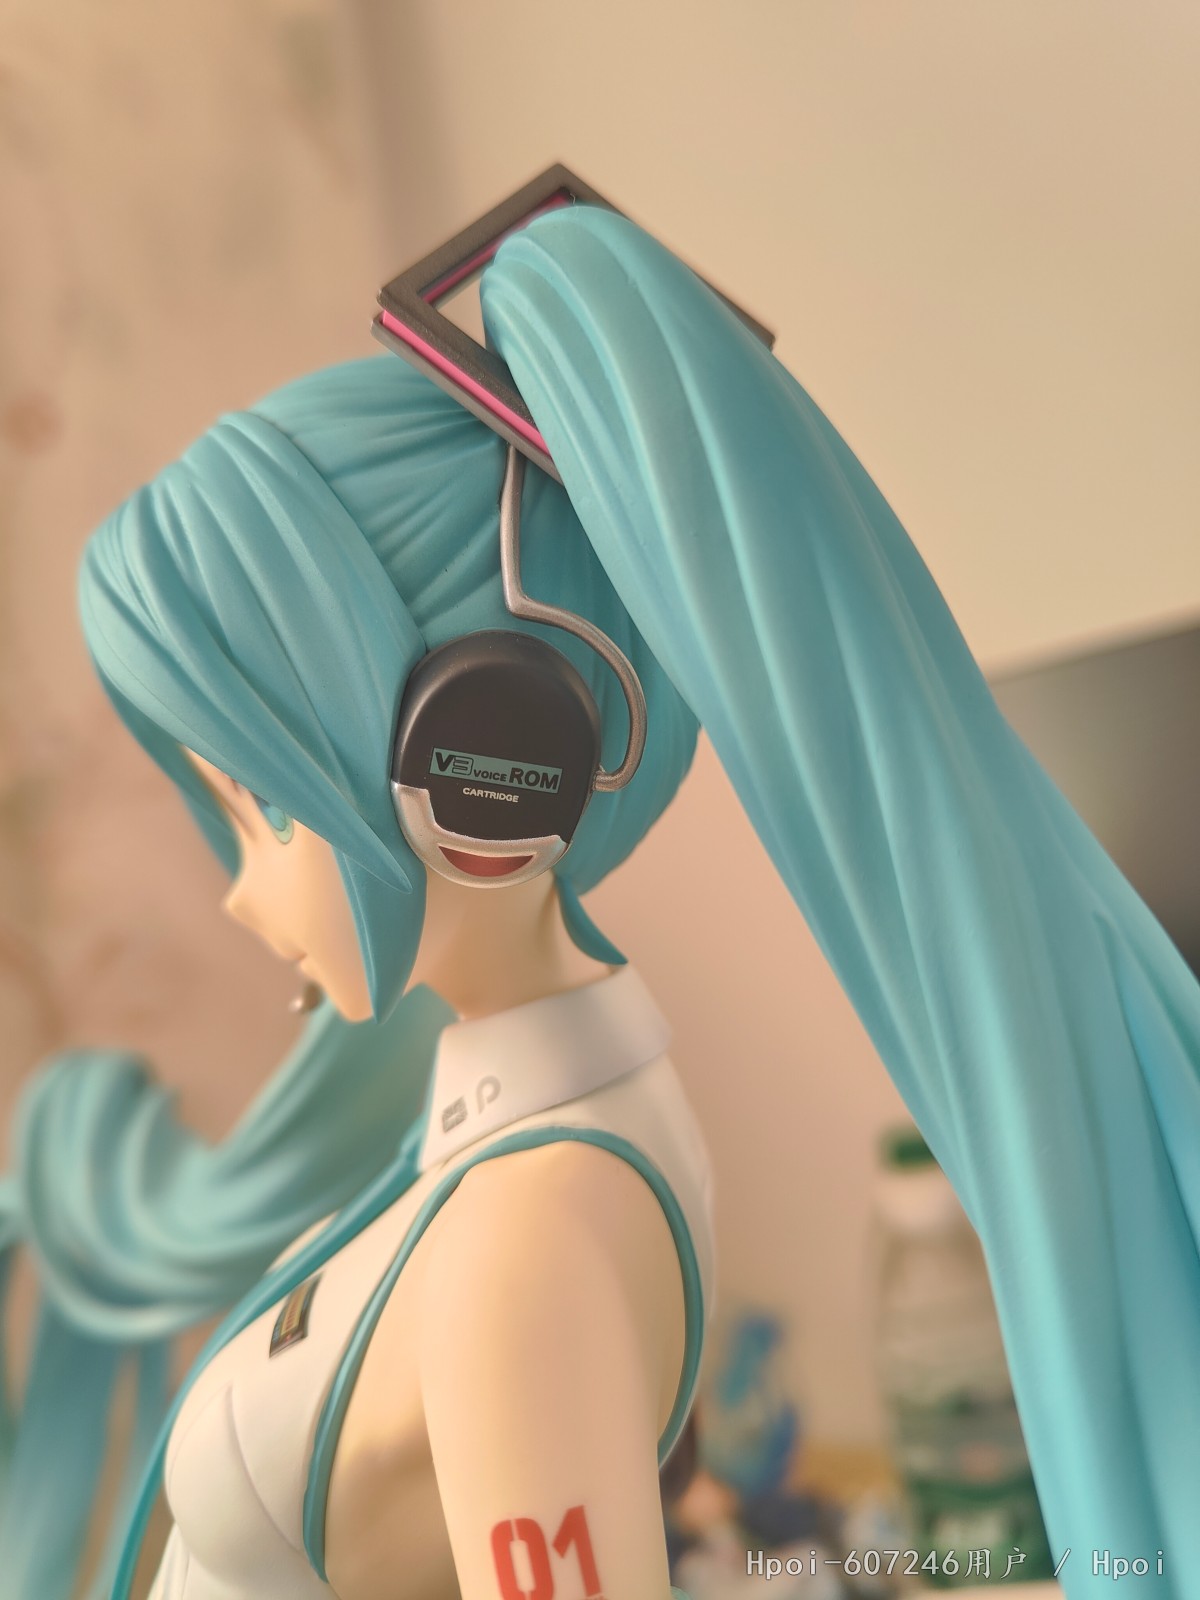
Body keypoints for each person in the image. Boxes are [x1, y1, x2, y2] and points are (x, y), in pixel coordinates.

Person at [2, 202, 1198, 1598]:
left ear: (481, 764)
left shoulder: (523, 1251)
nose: (235, 896)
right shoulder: (506, 1153)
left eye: (259, 809)